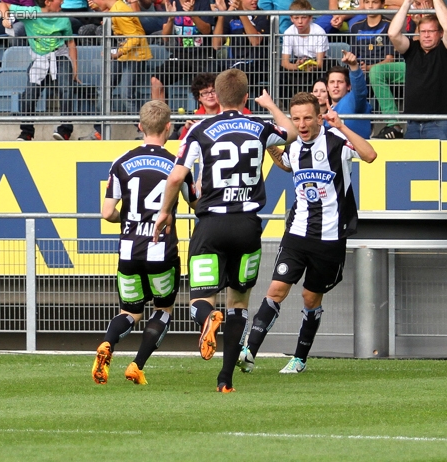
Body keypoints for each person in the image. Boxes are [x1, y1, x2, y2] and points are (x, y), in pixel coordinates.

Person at [153, 69, 297, 393]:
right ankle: (225, 379)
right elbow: (290, 132)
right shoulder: (260, 127)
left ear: (215, 96)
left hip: (212, 225)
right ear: (246, 98)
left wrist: (165, 211)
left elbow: (176, 178)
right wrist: (271, 105)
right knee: (239, 304)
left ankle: (207, 318)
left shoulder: (200, 129)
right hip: (247, 226)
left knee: (199, 300)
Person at [237, 92, 377, 374]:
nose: (301, 124)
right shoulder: (294, 147)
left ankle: (299, 358)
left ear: (319, 116)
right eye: (296, 118)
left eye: (307, 118)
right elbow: (285, 163)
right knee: (276, 289)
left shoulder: (337, 142)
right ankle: (249, 351)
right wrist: (268, 145)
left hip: (330, 237)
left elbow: (370, 155)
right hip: (297, 232)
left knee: (310, 299)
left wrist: (341, 126)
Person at [92, 100, 198, 386]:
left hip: (128, 250)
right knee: (162, 310)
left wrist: (126, 218)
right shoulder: (178, 164)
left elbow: (106, 213)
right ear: (169, 127)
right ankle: (137, 365)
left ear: (140, 127)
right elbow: (196, 203)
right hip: (161, 250)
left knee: (129, 311)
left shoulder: (121, 161)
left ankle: (107, 344)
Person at [0, 0, 79, 141]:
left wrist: (75, 68)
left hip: (60, 56)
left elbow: (70, 42)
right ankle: (27, 132)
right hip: (40, 60)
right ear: (48, 2)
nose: (63, 1)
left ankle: (65, 130)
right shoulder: (30, 13)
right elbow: (1, 5)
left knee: (66, 88)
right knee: (29, 93)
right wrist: (5, 17)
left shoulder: (63, 18)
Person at [387, 0, 447, 140]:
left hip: (441, 124)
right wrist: (407, 2)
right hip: (413, 124)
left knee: (442, 163)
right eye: (423, 31)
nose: (426, 35)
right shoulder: (412, 49)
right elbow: (392, 33)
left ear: (439, 33)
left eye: (431, 31)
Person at [81, 0, 153, 140]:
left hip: (135, 56)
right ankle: (99, 131)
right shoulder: (114, 8)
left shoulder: (120, 10)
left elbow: (135, 38)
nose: (91, 3)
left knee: (127, 95)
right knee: (103, 89)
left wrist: (117, 53)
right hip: (123, 53)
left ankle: (144, 131)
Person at [369, 0, 430, 139]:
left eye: (420, 4)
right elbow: (416, 52)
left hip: (436, 66)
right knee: (377, 71)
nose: (416, 7)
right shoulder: (413, 19)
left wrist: (425, 19)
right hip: (412, 65)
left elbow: (429, 52)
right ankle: (393, 124)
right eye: (416, 4)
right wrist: (418, 23)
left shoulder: (441, 17)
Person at [150, 0, 214, 104]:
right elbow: (165, 37)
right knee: (156, 81)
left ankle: (205, 118)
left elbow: (206, 30)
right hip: (180, 53)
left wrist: (192, 15)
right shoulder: (173, 3)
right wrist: (171, 18)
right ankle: (161, 118)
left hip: (203, 53)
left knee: (206, 84)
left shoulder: (203, 2)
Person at [212, 0, 270, 93]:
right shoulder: (231, 16)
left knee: (238, 76)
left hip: (258, 66)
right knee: (211, 69)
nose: (254, 0)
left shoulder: (263, 15)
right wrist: (222, 14)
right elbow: (216, 45)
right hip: (234, 65)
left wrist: (241, 12)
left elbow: (255, 41)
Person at [313, 50, 372, 139]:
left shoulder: (354, 101)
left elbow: (360, 91)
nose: (336, 86)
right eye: (332, 82)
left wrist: (354, 67)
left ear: (348, 86)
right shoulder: (327, 112)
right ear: (327, 87)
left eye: (340, 82)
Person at [279, 0, 329, 104]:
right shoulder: (288, 32)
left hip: (316, 64)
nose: (300, 21)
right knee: (281, 72)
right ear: (291, 19)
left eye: (303, 17)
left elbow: (320, 63)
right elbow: (285, 63)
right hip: (299, 62)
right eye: (296, 18)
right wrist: (297, 66)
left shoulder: (319, 32)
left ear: (310, 18)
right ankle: (290, 105)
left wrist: (310, 65)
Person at [178, 72, 251, 140]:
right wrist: (187, 128)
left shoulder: (237, 109)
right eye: (205, 93)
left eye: (213, 91)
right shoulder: (195, 117)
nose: (210, 95)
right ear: (198, 97)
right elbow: (181, 144)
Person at [349, 0, 394, 75]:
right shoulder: (355, 27)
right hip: (360, 70)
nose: (370, 6)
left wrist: (369, 68)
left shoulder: (390, 25)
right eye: (367, 2)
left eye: (375, 2)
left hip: (381, 71)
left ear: (382, 4)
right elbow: (353, 55)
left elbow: (390, 59)